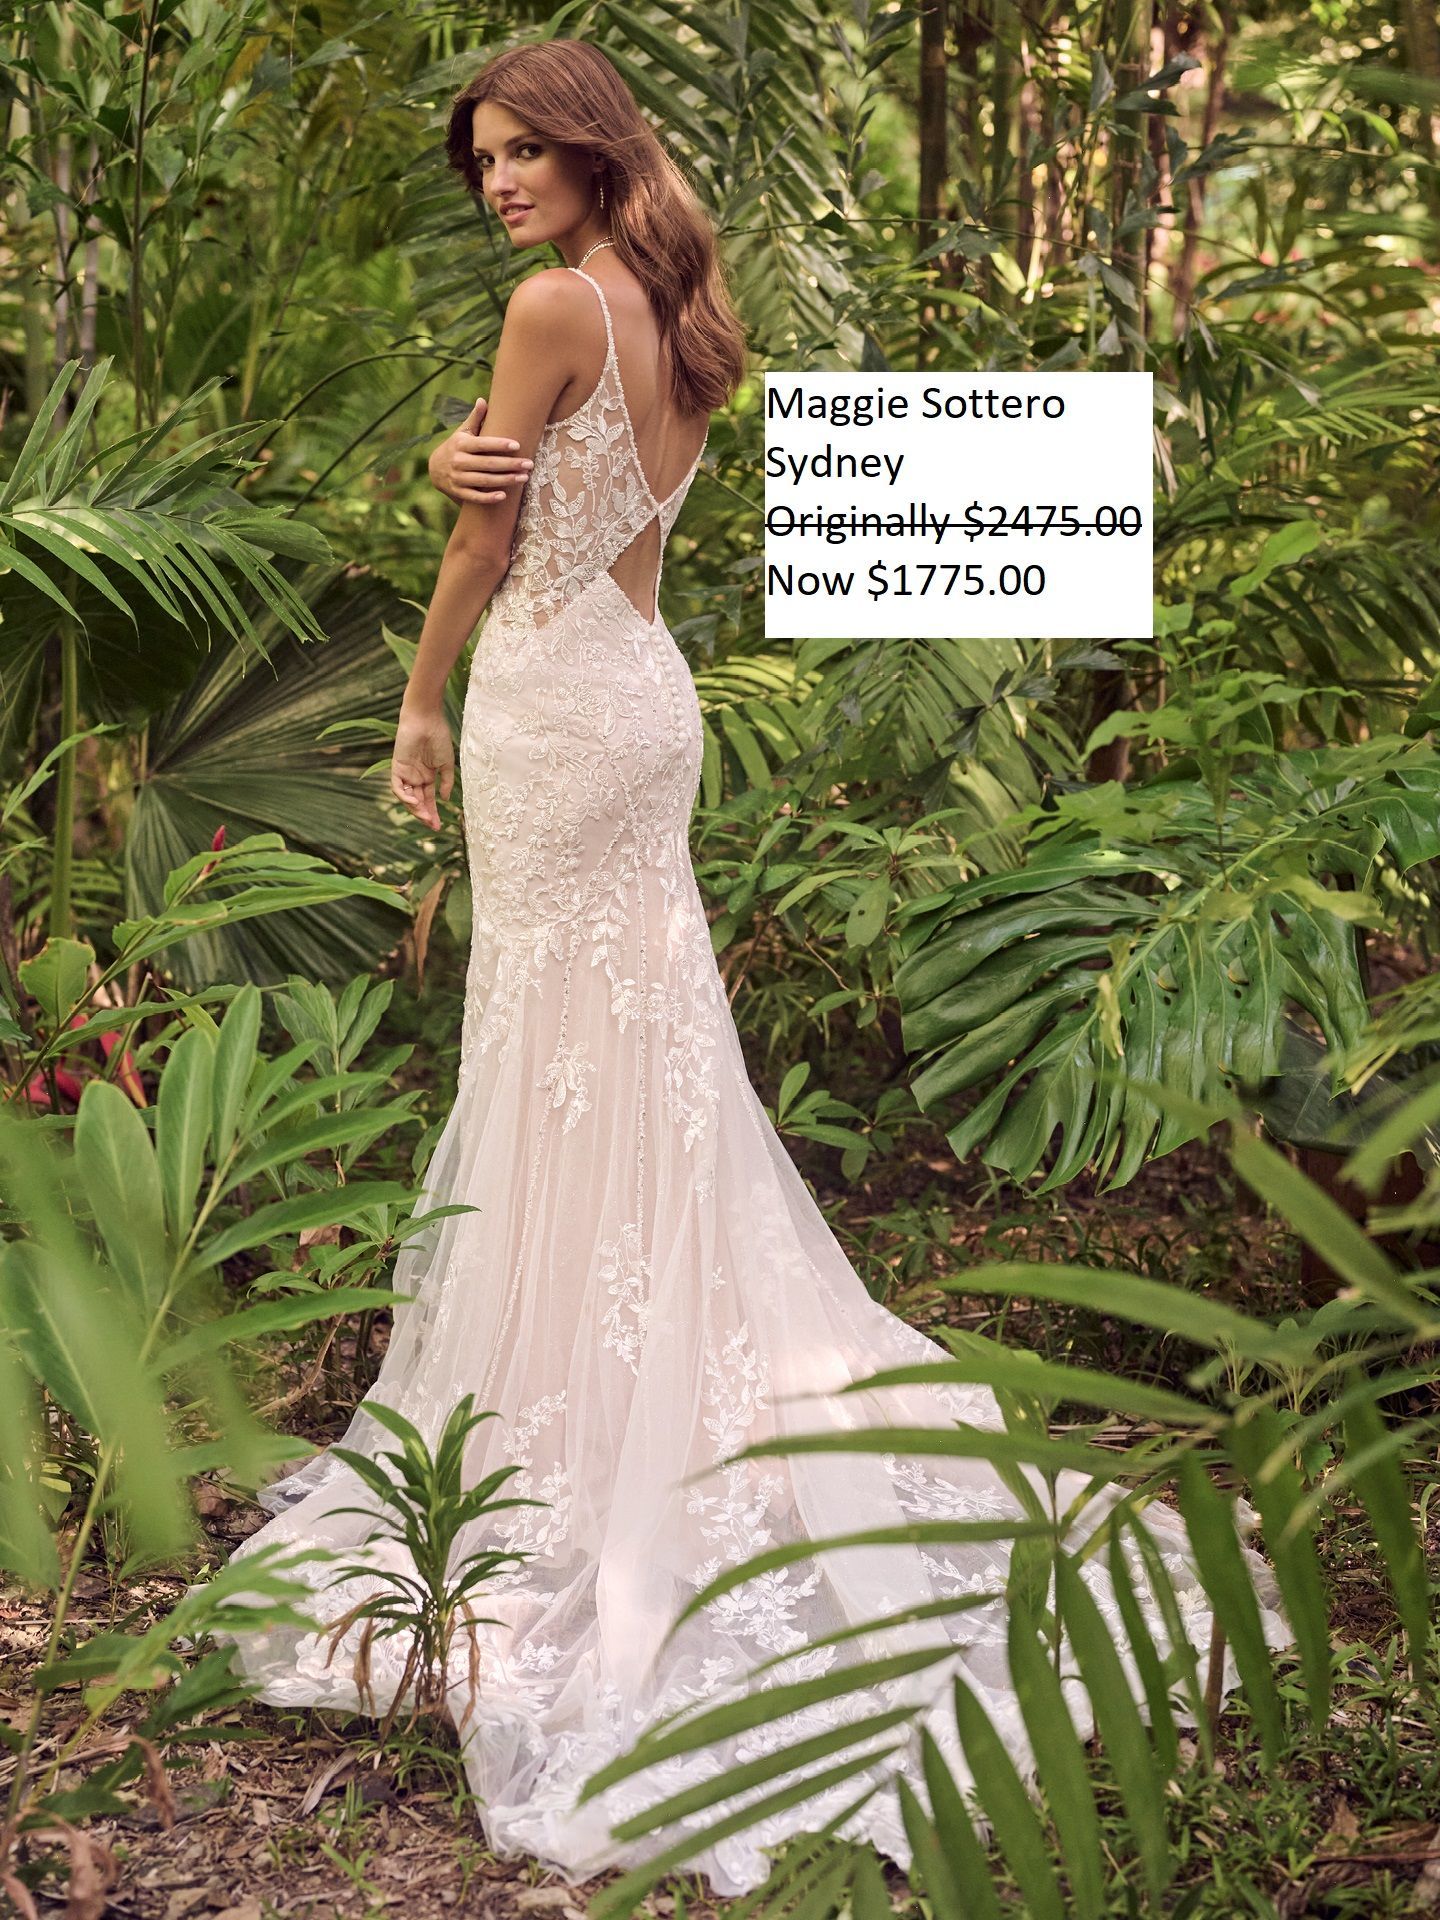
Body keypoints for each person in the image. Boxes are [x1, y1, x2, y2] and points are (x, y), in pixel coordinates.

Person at [220, 39, 1287, 1898]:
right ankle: (614, 1375)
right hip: (644, 698)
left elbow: (490, 530)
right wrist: (466, 458)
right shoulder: (673, 301)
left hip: (554, 704)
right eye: (481, 160)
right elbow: (558, 488)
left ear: (590, 149)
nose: (498, 184)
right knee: (633, 1052)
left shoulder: (556, 302)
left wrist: (412, 702)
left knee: (564, 1045)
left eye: (525, 151)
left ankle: (572, 1411)